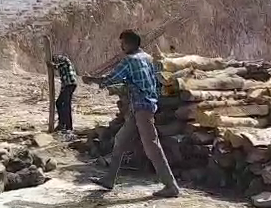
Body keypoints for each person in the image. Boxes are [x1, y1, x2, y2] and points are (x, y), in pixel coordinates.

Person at [83, 30, 180, 198]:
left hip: (142, 109)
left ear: (129, 43)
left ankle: (171, 186)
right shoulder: (149, 59)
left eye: (123, 43)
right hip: (144, 107)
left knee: (152, 147)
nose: (121, 47)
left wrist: (92, 80)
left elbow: (112, 78)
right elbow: (158, 83)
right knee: (120, 140)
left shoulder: (129, 60)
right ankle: (109, 179)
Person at [49, 54, 77, 132]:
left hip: (70, 84)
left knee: (66, 106)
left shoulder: (64, 60)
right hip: (67, 85)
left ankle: (68, 127)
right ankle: (62, 123)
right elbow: (63, 79)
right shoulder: (62, 66)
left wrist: (53, 65)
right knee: (59, 103)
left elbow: (59, 66)